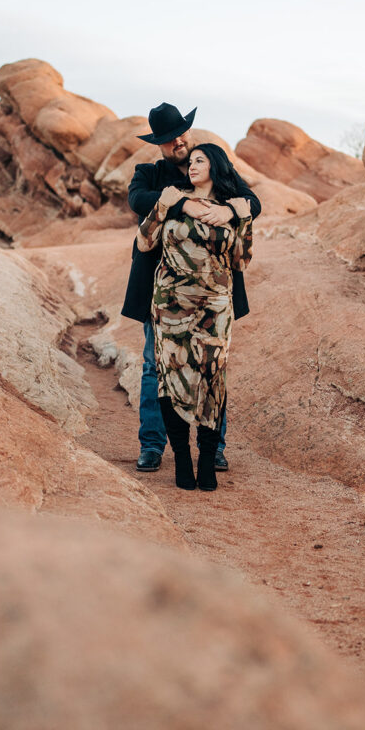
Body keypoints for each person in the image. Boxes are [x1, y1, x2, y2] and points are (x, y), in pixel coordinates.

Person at [121, 102, 261, 473]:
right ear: (160, 145)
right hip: (163, 293)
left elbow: (253, 202)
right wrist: (187, 203)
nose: (178, 142)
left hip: (212, 294)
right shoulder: (149, 174)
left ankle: (212, 447)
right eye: (168, 139)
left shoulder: (214, 168)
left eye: (181, 133)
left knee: (211, 368)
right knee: (155, 366)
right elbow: (138, 201)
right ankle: (152, 445)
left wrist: (230, 211)